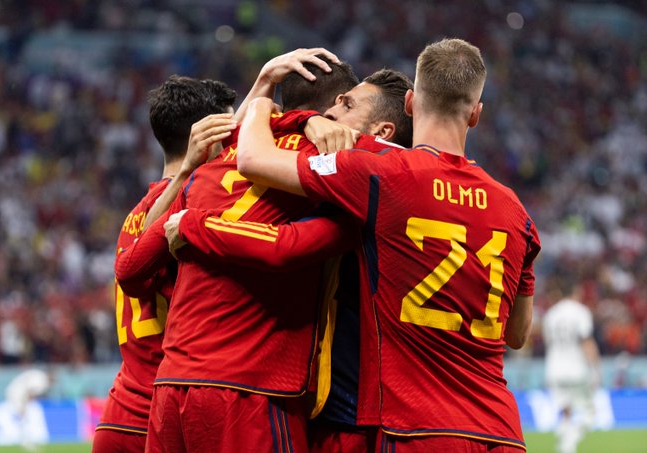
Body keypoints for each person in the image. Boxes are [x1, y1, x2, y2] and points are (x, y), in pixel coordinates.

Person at [229, 38, 541, 451]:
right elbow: (516, 333)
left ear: (410, 103)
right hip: (499, 431)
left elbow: (251, 160)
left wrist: (268, 103)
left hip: (417, 427)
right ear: (476, 114)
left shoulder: (381, 174)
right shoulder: (515, 210)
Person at [115, 59, 413, 452]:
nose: (339, 112)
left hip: (172, 390)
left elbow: (129, 269)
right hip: (251, 389)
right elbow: (288, 246)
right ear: (330, 108)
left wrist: (267, 106)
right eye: (343, 101)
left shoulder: (219, 157)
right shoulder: (333, 166)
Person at [92, 75, 238, 453]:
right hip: (165, 418)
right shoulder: (195, 211)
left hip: (119, 414)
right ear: (207, 138)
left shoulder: (137, 214)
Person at [542, 288, 601, 453]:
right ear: (576, 292)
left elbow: (548, 342)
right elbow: (586, 341)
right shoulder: (580, 312)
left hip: (554, 368)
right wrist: (596, 369)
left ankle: (565, 440)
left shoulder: (551, 314)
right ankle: (572, 437)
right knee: (590, 413)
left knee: (565, 409)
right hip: (577, 369)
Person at [4, 368, 52, 452]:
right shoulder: (42, 382)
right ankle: (24, 441)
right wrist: (24, 405)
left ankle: (25, 440)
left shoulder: (39, 374)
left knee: (24, 418)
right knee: (23, 418)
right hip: (17, 395)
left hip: (14, 392)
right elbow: (29, 392)